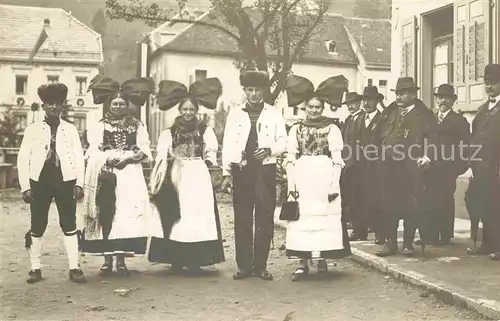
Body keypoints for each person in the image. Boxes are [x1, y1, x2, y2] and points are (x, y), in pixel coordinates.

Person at [148, 78, 225, 272]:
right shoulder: (170, 132)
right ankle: (175, 258)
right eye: (185, 109)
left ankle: (196, 259)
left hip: (197, 175)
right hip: (177, 175)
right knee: (177, 213)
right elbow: (162, 155)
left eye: (192, 110)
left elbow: (210, 153)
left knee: (196, 214)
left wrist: (210, 164)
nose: (188, 113)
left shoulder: (204, 131)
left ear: (197, 111)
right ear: (180, 110)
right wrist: (166, 165)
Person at [79, 75, 154, 276]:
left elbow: (145, 150)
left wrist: (131, 158)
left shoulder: (136, 125)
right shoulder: (100, 125)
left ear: (127, 104)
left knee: (125, 216)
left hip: (130, 175)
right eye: (115, 103)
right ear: (109, 104)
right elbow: (92, 151)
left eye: (122, 103)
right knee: (107, 213)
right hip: (108, 173)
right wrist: (107, 159)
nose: (118, 107)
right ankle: (107, 261)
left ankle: (121, 260)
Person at [220, 70, 287, 281]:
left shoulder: (273, 113)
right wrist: (226, 173)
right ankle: (244, 266)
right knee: (242, 218)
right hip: (242, 169)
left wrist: (269, 149)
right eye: (250, 90)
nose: (254, 94)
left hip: (265, 170)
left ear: (264, 91)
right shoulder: (235, 113)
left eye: (258, 90)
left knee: (265, 218)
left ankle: (261, 266)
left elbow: (283, 141)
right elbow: (228, 143)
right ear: (245, 91)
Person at [283, 74, 351, 281]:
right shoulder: (296, 129)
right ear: (305, 107)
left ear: (323, 108)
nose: (313, 110)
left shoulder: (332, 129)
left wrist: (334, 184)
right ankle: (303, 263)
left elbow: (338, 159)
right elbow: (291, 158)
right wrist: (291, 185)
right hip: (303, 177)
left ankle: (321, 259)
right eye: (310, 107)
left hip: (324, 175)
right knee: (303, 218)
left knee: (323, 216)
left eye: (317, 107)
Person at [17, 83, 86, 284]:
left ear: (63, 106)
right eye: (51, 104)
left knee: (69, 223)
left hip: (65, 181)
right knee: (38, 224)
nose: (55, 108)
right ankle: (35, 268)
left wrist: (78, 183)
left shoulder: (71, 129)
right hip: (40, 181)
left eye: (59, 104)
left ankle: (74, 267)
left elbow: (78, 157)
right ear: (44, 106)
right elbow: (23, 158)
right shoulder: (33, 130)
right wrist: (26, 186)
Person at [375, 77, 438, 257]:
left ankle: (408, 244)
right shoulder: (391, 112)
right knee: (388, 204)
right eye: (397, 93)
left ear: (412, 94)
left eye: (403, 94)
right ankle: (390, 243)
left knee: (411, 205)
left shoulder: (423, 114)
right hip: (388, 167)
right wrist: (378, 154)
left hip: (410, 168)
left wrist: (427, 157)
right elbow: (379, 135)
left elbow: (433, 138)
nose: (399, 97)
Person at [420, 84, 470, 245]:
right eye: (440, 97)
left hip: (447, 168)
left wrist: (457, 168)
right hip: (428, 168)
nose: (443, 100)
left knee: (444, 200)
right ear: (436, 99)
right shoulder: (429, 119)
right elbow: (422, 142)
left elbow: (465, 147)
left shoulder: (460, 121)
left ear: (453, 100)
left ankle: (445, 235)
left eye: (447, 97)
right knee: (428, 200)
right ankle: (429, 235)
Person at [465, 64, 500, 261]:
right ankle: (487, 243)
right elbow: (475, 137)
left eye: (493, 83)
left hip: (497, 167)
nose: (489, 86)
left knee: (498, 206)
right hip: (480, 167)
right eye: (487, 83)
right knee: (483, 204)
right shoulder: (482, 110)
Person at [359, 86, 386, 245]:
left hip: (377, 166)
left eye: (370, 100)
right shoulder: (360, 119)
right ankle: (364, 228)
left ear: (376, 102)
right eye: (365, 100)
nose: (366, 103)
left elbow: (384, 141)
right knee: (364, 198)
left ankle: (380, 233)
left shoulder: (383, 119)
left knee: (379, 199)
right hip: (361, 166)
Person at [340, 92, 366, 241]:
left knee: (359, 198)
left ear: (359, 103)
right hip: (348, 163)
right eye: (348, 104)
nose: (351, 106)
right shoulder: (349, 119)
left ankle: (360, 229)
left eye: (354, 103)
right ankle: (356, 226)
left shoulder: (363, 118)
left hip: (359, 164)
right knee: (351, 198)